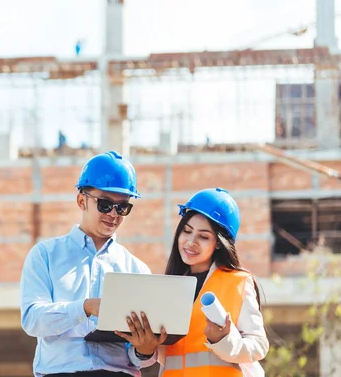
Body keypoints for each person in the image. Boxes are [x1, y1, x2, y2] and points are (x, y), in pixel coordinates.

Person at [20, 150, 164, 377]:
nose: (113, 214)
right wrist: (85, 308)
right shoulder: (45, 255)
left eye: (122, 207)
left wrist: (145, 351)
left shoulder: (136, 269)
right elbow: (32, 320)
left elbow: (138, 358)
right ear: (81, 201)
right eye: (105, 204)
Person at [158, 187, 269, 376]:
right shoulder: (169, 287)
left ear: (219, 243)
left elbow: (259, 345)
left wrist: (224, 339)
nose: (190, 242)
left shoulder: (238, 282)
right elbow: (165, 356)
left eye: (203, 236)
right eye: (186, 231)